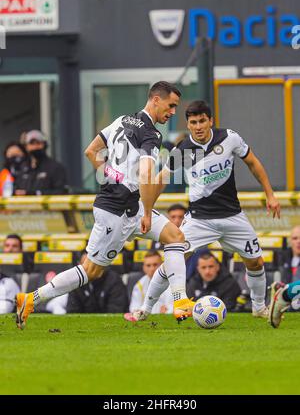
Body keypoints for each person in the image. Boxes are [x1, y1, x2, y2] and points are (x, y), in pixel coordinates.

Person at [15, 81, 194, 329]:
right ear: (155, 100)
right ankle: (32, 299)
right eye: (171, 105)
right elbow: (146, 175)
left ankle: (180, 301)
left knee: (175, 237)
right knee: (91, 271)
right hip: (116, 211)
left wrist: (113, 176)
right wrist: (147, 212)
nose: (173, 112)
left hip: (127, 203)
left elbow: (91, 151)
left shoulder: (121, 120)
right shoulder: (151, 135)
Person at [134, 100, 280, 320]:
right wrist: (146, 211)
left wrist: (270, 194)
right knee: (173, 261)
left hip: (232, 216)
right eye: (193, 122)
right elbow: (161, 181)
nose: (199, 126)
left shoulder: (229, 138)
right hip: (199, 220)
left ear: (210, 121)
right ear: (189, 125)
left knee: (256, 262)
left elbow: (253, 162)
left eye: (202, 121)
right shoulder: (182, 150)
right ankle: (145, 309)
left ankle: (259, 307)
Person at [14, 130, 68, 196]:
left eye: (38, 143)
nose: (35, 147)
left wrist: (35, 194)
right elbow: (17, 189)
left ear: (44, 145)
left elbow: (61, 192)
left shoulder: (55, 167)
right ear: (26, 147)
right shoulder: (23, 168)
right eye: (32, 143)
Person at [0, 234, 21, 314]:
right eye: (7, 245)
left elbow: (3, 309)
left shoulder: (9, 282)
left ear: (20, 249)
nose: (10, 249)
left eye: (14, 246)